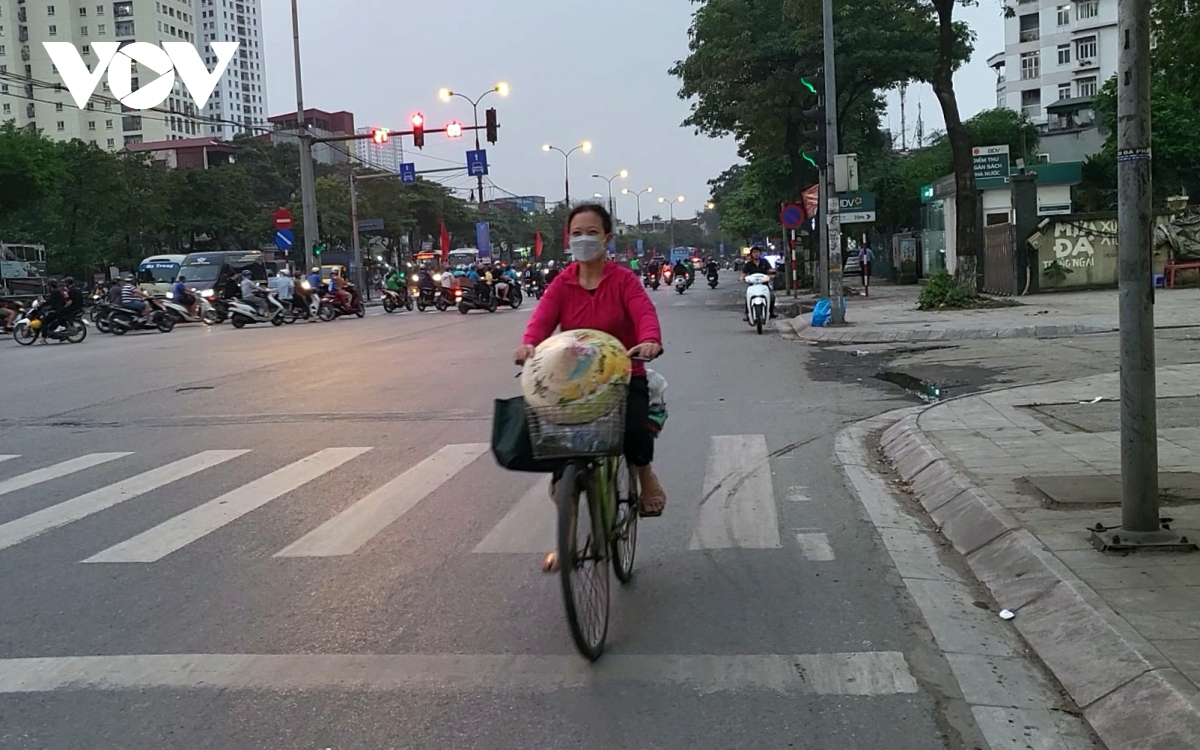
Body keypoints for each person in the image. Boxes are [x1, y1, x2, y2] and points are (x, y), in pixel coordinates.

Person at [514, 203, 666, 573]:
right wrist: (528, 345)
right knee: (556, 451)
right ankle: (566, 539)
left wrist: (649, 341)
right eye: (576, 233)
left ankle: (644, 476)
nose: (583, 239)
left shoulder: (624, 281)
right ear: (568, 239)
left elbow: (644, 313)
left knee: (633, 429)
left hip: (623, 373)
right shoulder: (562, 283)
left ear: (607, 238)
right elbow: (540, 322)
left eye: (591, 232)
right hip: (574, 382)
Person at [740, 245, 777, 320]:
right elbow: (743, 273)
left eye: (757, 252)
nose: (756, 254)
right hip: (752, 285)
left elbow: (770, 270)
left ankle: (771, 312)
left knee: (772, 296)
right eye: (754, 252)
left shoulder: (764, 262)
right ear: (751, 254)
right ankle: (747, 314)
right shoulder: (748, 264)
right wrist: (741, 278)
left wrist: (772, 274)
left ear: (760, 253)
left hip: (764, 284)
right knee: (747, 297)